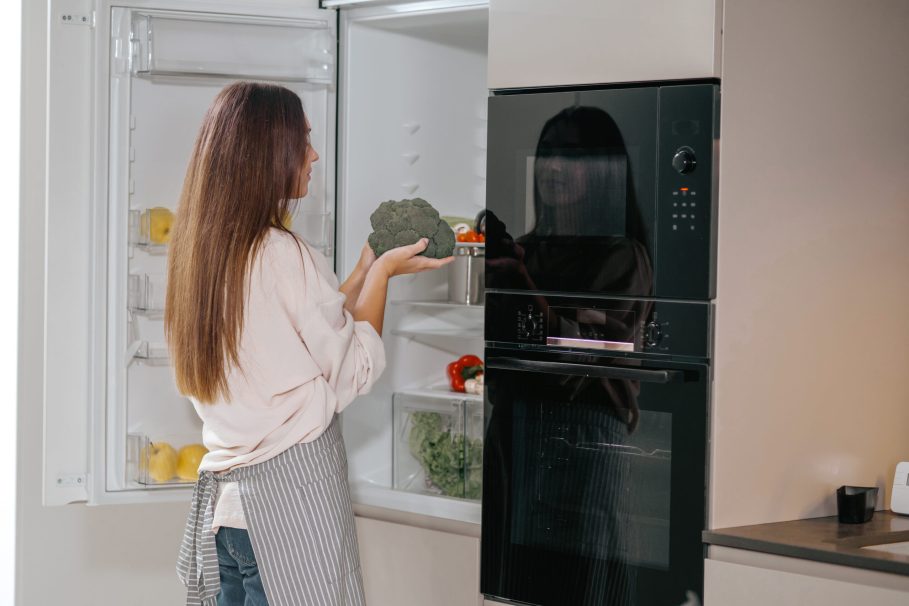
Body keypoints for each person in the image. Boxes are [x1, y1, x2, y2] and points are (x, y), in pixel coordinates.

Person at [165, 81, 451, 606]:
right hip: (289, 503)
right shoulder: (281, 252)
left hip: (228, 517)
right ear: (267, 154)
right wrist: (385, 273)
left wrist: (364, 267)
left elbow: (302, 335)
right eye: (303, 141)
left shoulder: (201, 256)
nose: (313, 154)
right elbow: (352, 367)